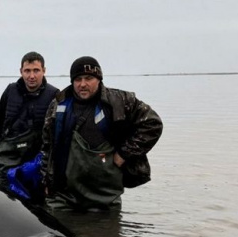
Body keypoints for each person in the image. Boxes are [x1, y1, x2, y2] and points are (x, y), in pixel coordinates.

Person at [41, 56, 163, 209]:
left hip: (105, 198)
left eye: (89, 78)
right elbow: (47, 147)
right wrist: (46, 181)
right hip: (64, 196)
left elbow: (153, 124)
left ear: (99, 78)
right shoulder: (58, 104)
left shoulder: (120, 101)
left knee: (106, 232)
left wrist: (125, 153)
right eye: (78, 79)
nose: (83, 84)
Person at [0, 51, 59, 199]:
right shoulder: (10, 90)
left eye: (36, 70)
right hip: (8, 159)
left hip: (35, 163)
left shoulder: (54, 94)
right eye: (27, 71)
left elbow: (57, 132)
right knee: (6, 200)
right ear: (21, 71)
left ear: (44, 71)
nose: (31, 76)